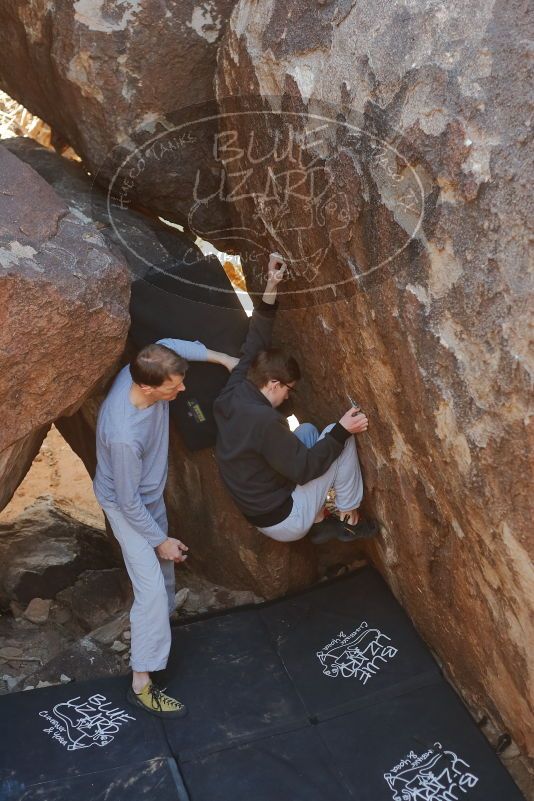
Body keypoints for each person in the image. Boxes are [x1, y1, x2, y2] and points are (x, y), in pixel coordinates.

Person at [93, 337, 237, 718]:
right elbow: (126, 502)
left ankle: (160, 631)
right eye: (174, 386)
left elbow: (168, 344)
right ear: (147, 388)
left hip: (146, 496)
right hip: (125, 506)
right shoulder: (124, 435)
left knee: (165, 576)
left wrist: (222, 357)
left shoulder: (140, 367)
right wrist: (160, 541)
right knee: (152, 589)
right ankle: (141, 683)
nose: (183, 389)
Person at [214, 253, 378, 545]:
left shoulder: (236, 388)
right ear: (274, 383)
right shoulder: (264, 420)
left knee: (308, 432)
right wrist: (342, 430)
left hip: (259, 506)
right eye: (289, 389)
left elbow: (256, 339)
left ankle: (319, 521)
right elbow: (305, 470)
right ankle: (349, 518)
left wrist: (271, 284)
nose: (289, 395)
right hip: (283, 519)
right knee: (339, 437)